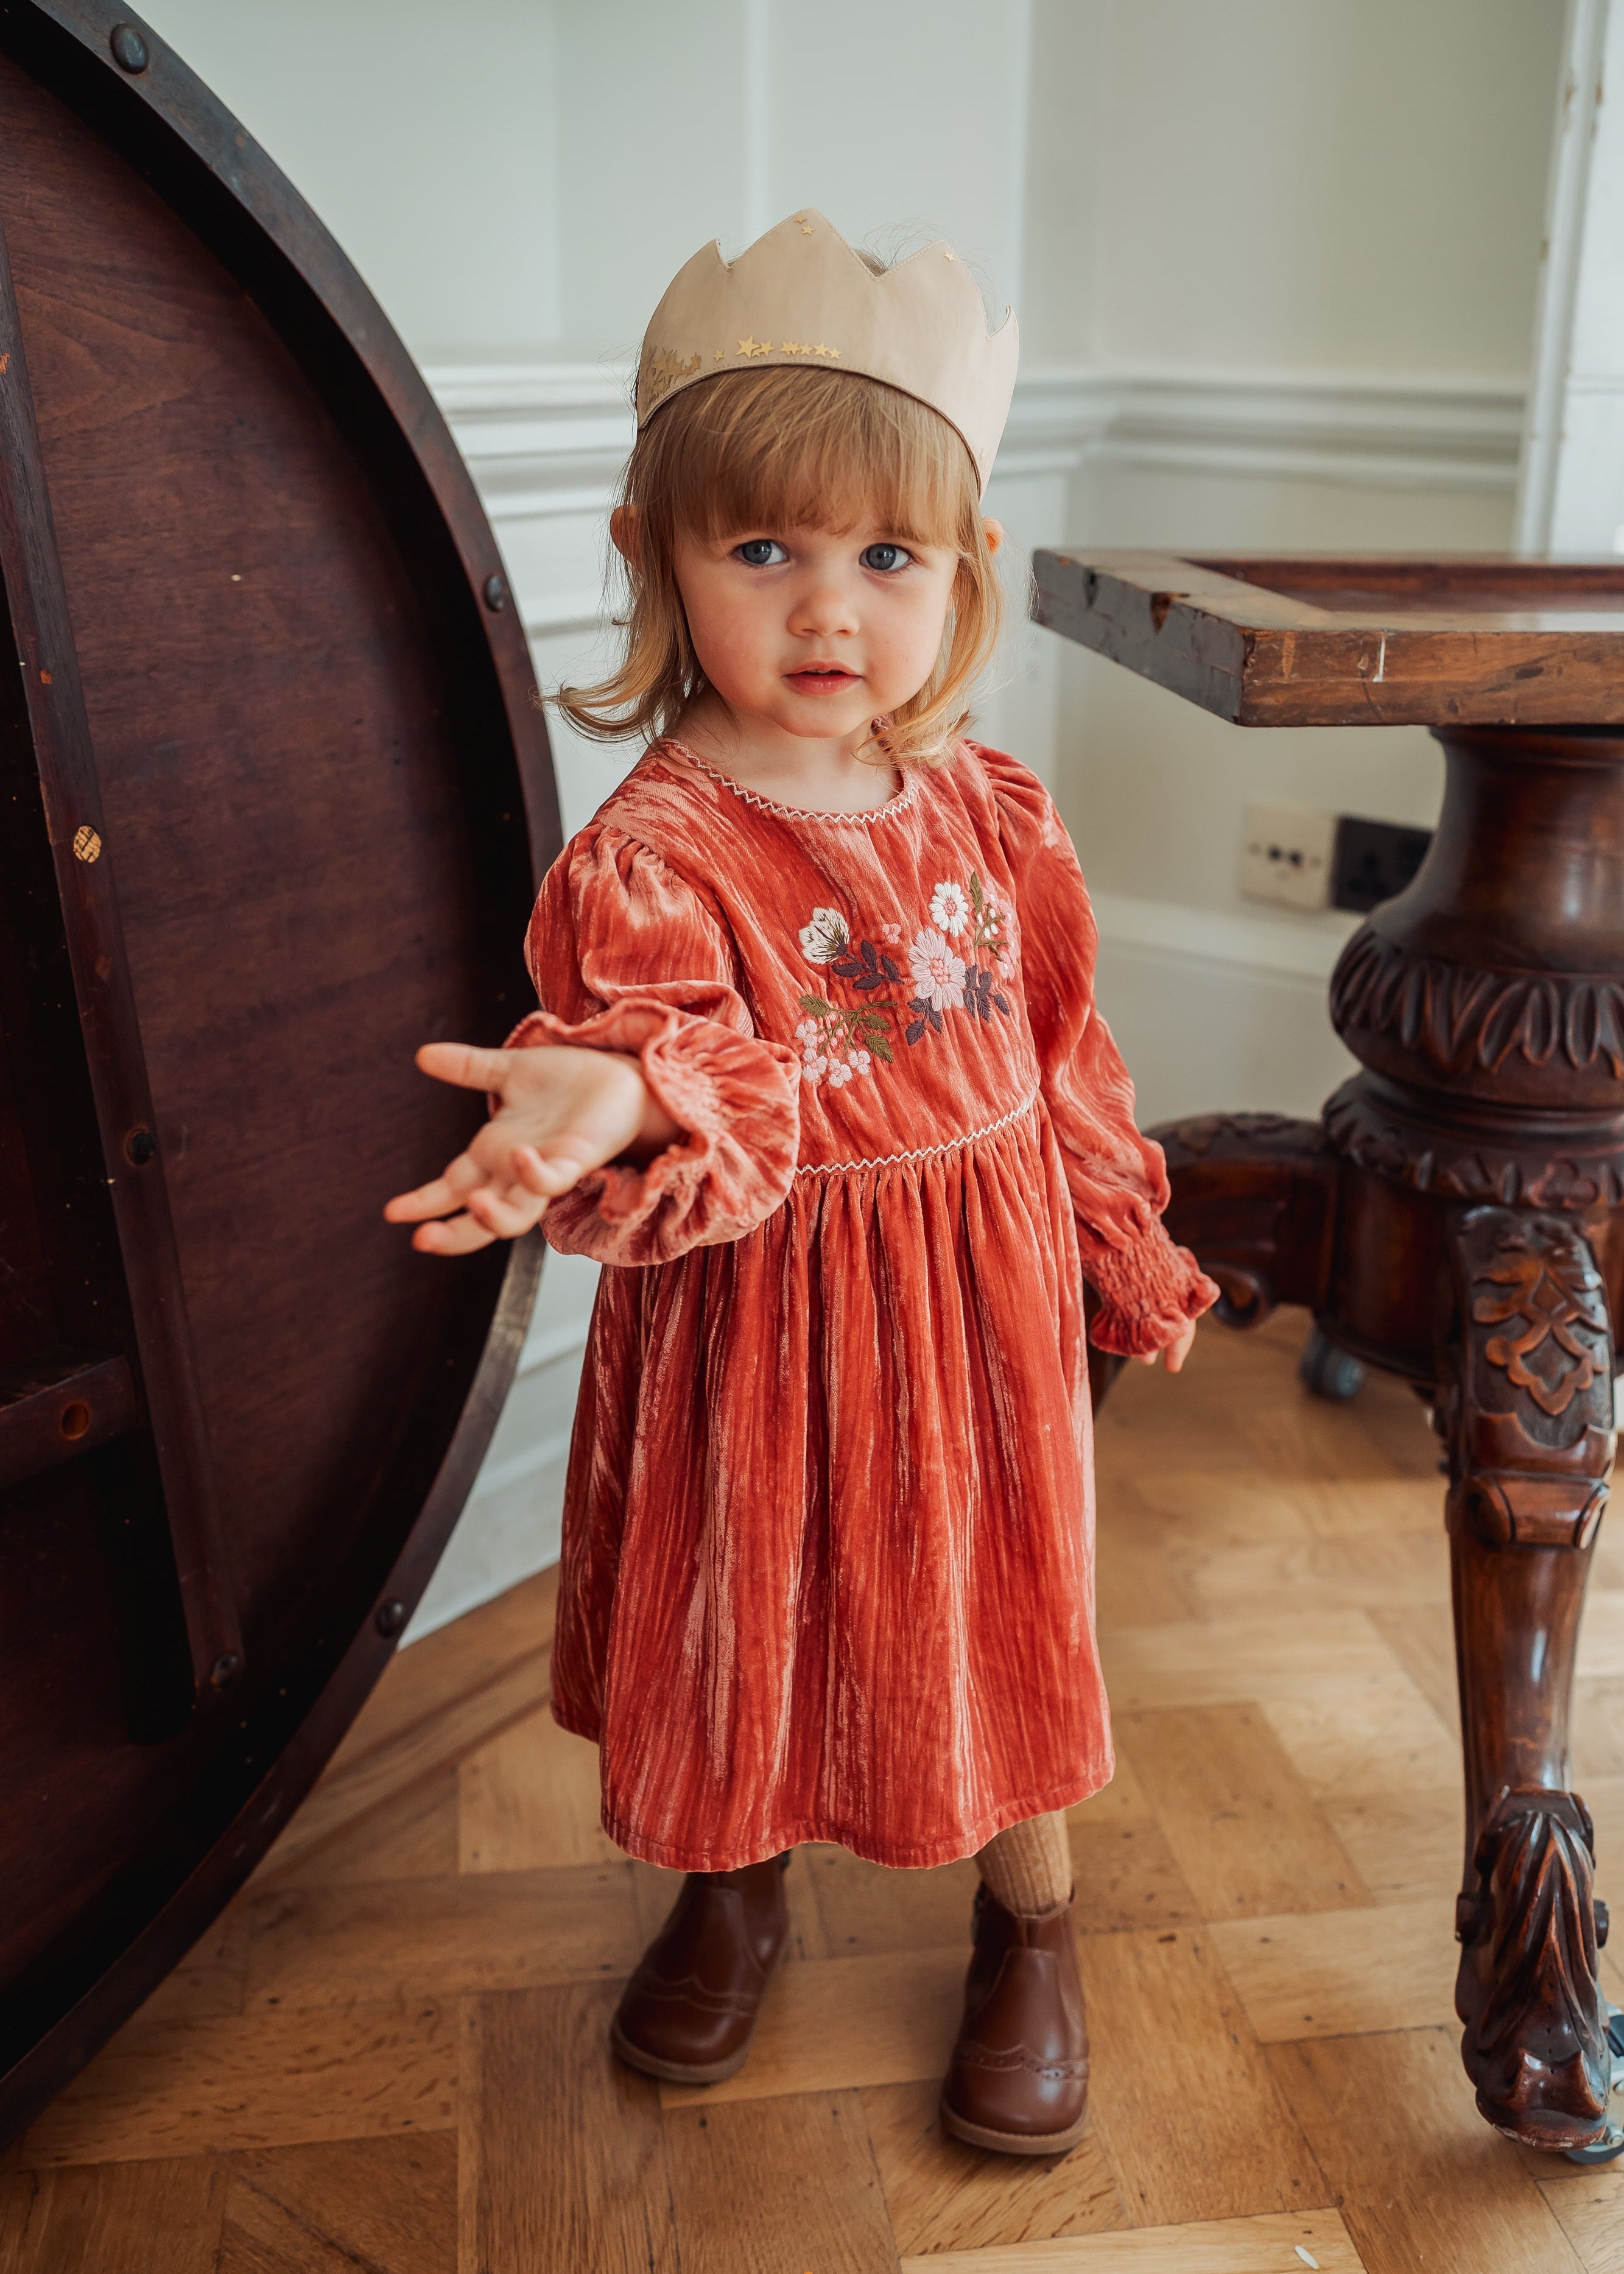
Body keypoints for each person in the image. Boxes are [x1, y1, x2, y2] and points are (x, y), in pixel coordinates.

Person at [386, 211, 1217, 2157]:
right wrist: (612, 1090)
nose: (828, 610)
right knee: (746, 1609)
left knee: (996, 1607)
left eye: (885, 559)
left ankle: (1030, 1924)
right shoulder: (655, 856)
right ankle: (731, 1880)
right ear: (654, 556)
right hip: (764, 1321)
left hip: (978, 1309)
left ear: (962, 569)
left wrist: (1117, 1233)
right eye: (762, 550)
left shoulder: (989, 808)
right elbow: (696, 1060)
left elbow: (1058, 1049)